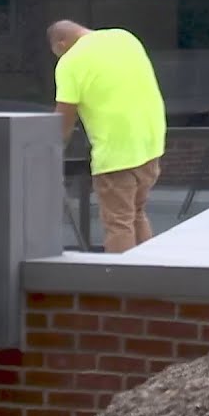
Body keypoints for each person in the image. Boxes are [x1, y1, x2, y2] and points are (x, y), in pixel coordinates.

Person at [49, 20, 167, 253]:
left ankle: (122, 285)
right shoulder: (125, 38)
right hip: (150, 144)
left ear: (61, 43)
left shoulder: (70, 62)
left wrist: (50, 148)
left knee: (118, 223)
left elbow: (64, 119)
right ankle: (150, 278)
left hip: (115, 152)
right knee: (136, 213)